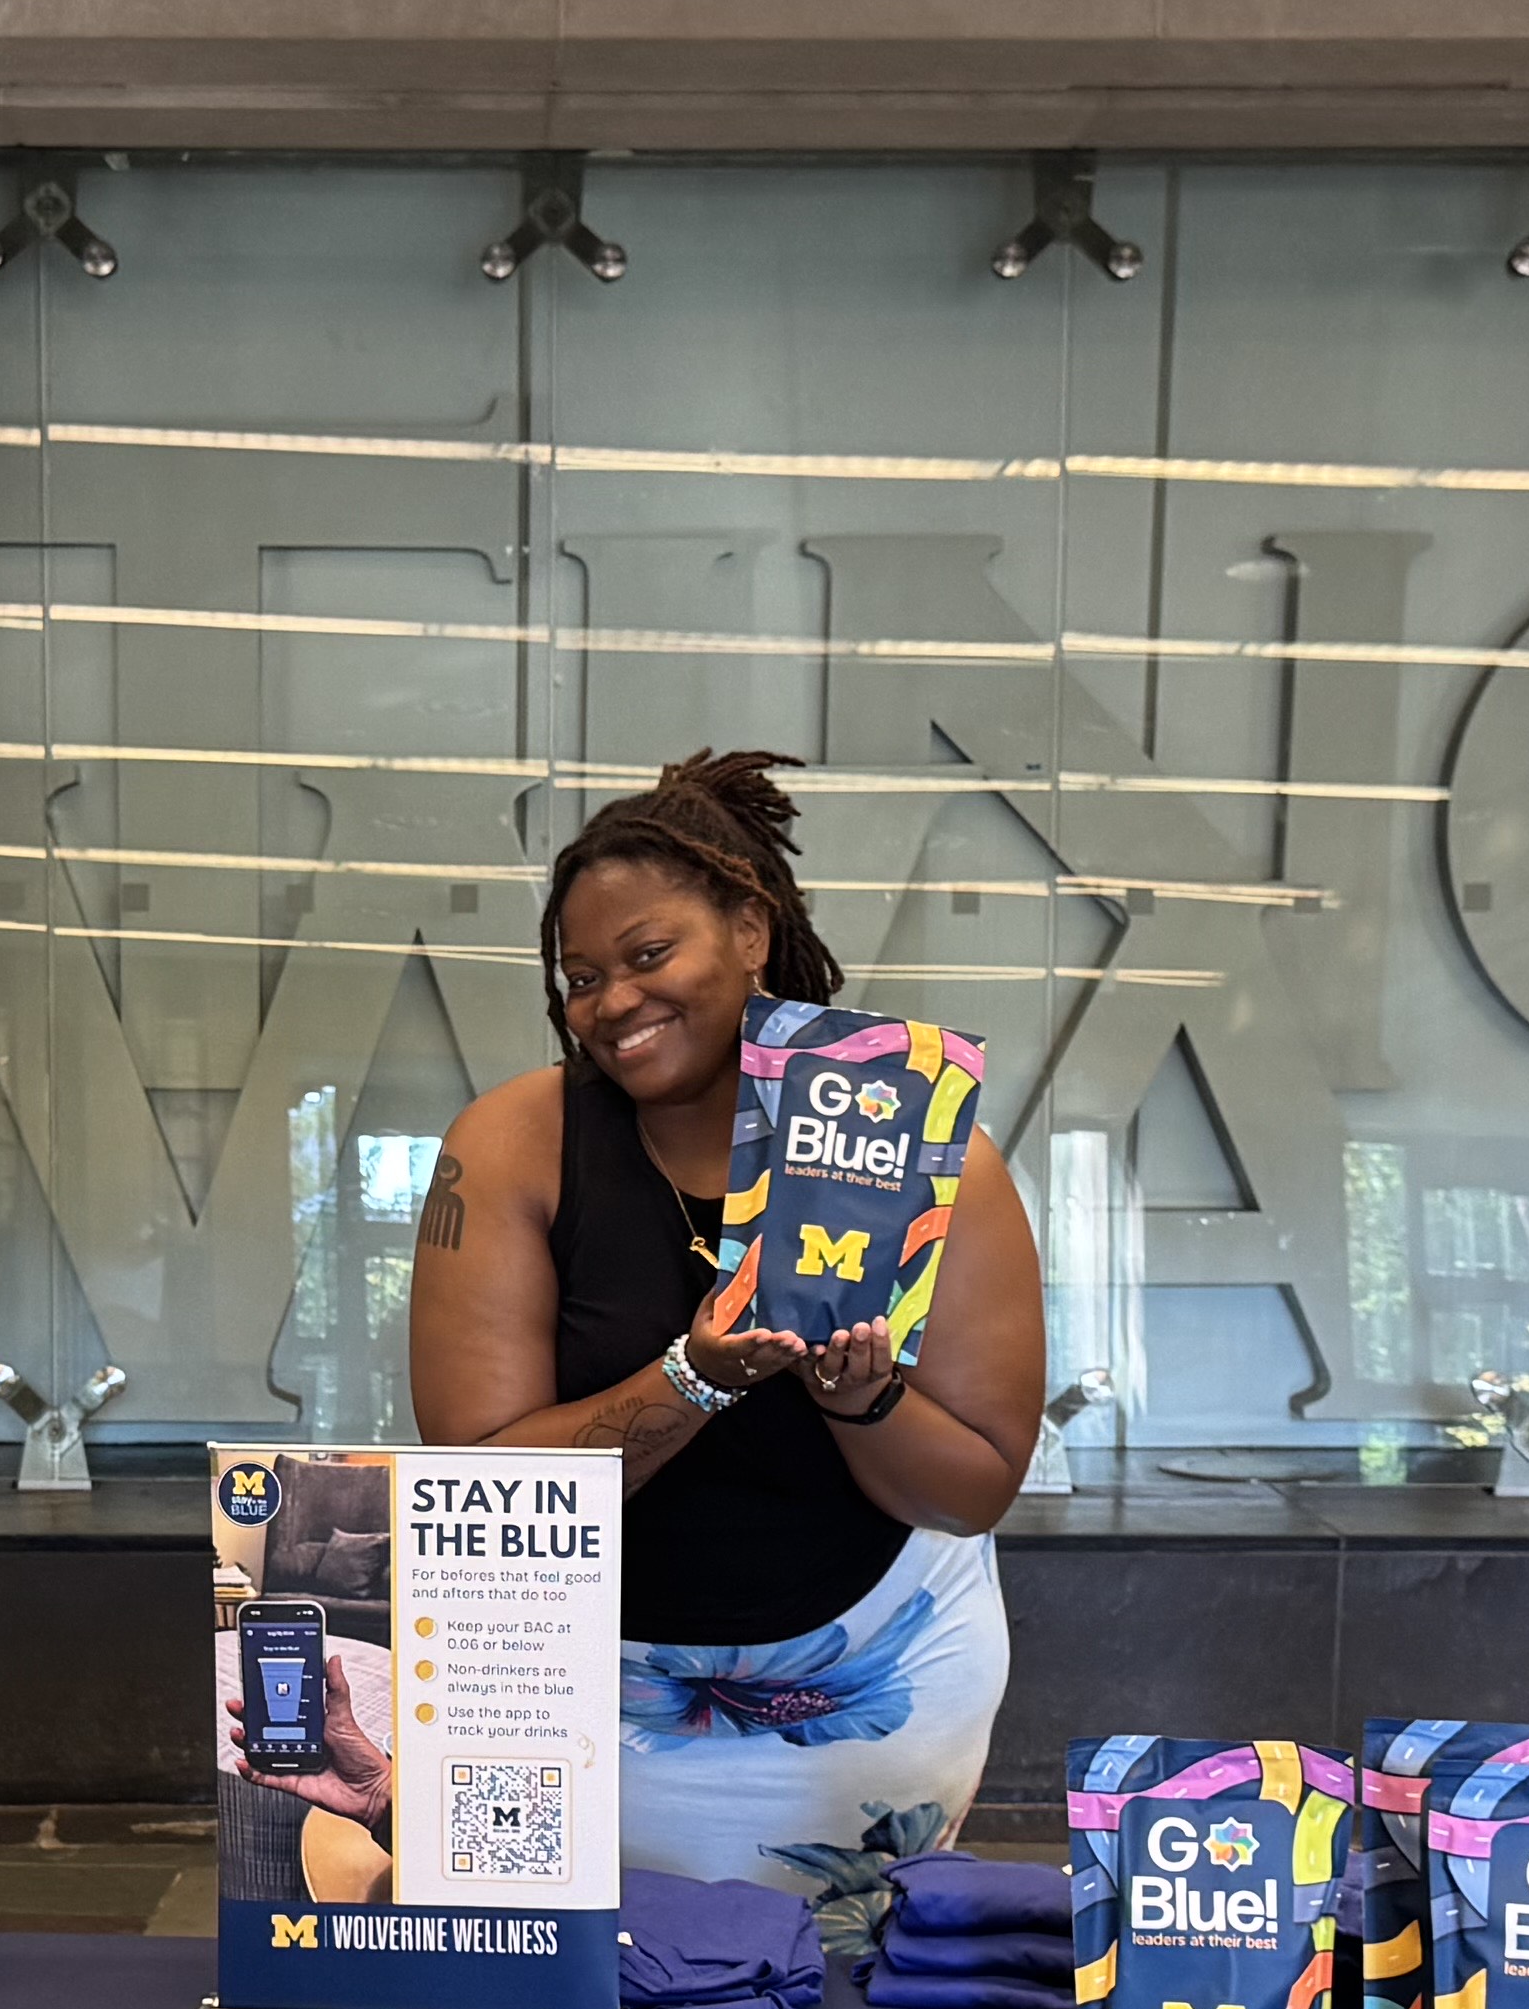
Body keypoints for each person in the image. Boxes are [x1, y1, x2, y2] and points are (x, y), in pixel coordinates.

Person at [403, 751, 1046, 1936]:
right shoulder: (513, 1143)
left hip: (869, 1689)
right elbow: (481, 1480)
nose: (612, 1003)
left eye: (649, 956)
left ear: (750, 928)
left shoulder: (912, 1148)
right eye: (583, 976)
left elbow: (976, 1490)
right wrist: (695, 1376)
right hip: (577, 1701)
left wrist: (860, 1398)